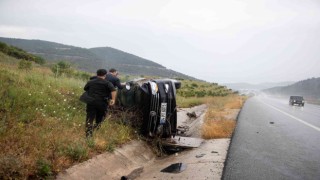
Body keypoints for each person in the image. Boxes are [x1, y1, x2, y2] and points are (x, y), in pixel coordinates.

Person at [84, 69, 116, 137]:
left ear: (97, 74)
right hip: (102, 103)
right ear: (105, 75)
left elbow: (85, 88)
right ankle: (95, 128)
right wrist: (113, 99)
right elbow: (113, 90)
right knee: (100, 118)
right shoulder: (107, 83)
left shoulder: (90, 82)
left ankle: (88, 134)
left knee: (90, 118)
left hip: (91, 102)